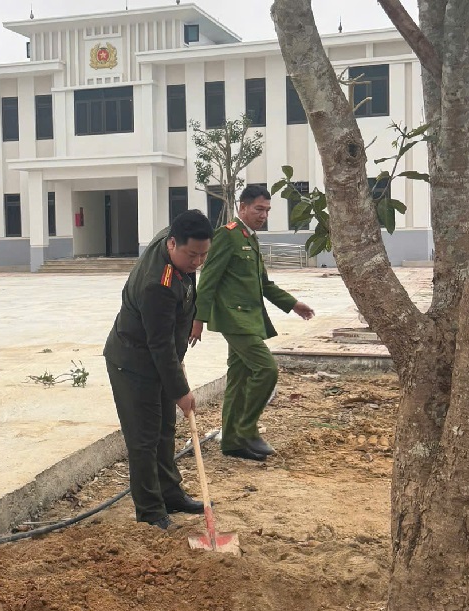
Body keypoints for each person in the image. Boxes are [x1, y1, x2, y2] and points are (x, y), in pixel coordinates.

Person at [104, 210, 212, 529]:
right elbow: (160, 345)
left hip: (160, 355)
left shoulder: (176, 241)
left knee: (165, 428)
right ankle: (150, 511)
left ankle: (170, 494)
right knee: (144, 438)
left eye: (203, 255)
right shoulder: (157, 285)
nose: (197, 262)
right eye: (192, 255)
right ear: (172, 244)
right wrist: (181, 391)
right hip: (133, 361)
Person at [192, 185, 315, 462]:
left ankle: (232, 442)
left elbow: (264, 284)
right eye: (259, 209)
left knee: (239, 379)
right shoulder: (227, 235)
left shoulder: (251, 238)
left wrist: (293, 304)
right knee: (267, 369)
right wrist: (198, 319)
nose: (264, 215)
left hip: (249, 319)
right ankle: (247, 429)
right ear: (243, 207)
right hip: (233, 319)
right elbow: (208, 279)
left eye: (267, 210)